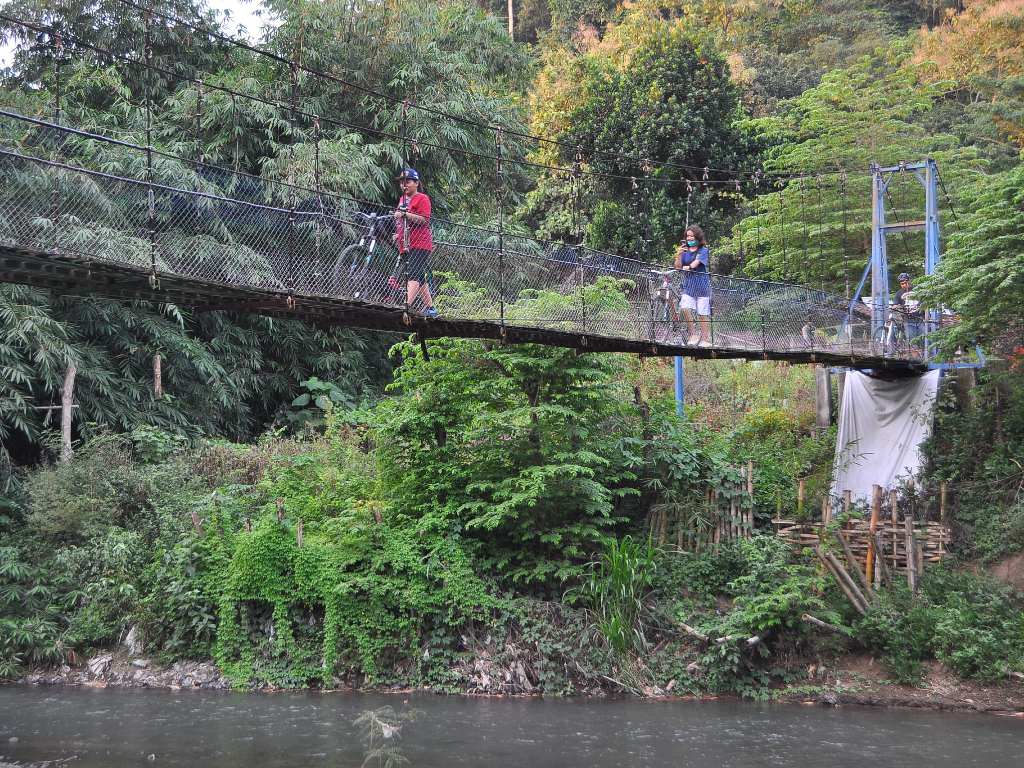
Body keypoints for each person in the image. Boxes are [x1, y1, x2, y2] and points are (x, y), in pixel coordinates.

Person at [394, 168, 437, 317]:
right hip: (405, 244)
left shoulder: (422, 198)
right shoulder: (402, 199)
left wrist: (405, 214)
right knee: (419, 277)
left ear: (416, 183)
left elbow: (425, 219)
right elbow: (401, 221)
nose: (404, 185)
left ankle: (406, 306)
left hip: (420, 244)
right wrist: (396, 234)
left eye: (407, 181)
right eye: (401, 182)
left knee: (412, 274)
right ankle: (431, 308)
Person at [675, 224, 712, 346]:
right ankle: (693, 334)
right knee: (685, 307)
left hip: (702, 286)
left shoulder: (703, 250)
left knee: (702, 313)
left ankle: (705, 339)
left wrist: (688, 267)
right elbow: (678, 267)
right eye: (688, 236)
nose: (689, 238)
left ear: (697, 237)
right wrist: (679, 255)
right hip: (689, 286)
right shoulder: (684, 251)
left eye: (692, 236)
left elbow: (695, 264)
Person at [894, 272, 923, 347]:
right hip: (908, 321)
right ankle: (916, 358)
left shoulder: (918, 290)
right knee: (912, 342)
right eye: (902, 283)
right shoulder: (898, 293)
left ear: (909, 281)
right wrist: (894, 307)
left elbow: (925, 302)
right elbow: (895, 304)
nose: (904, 285)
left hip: (921, 320)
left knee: (925, 340)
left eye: (905, 282)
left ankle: (927, 356)